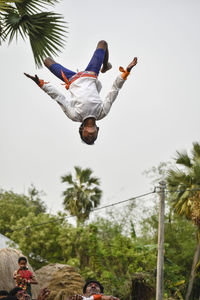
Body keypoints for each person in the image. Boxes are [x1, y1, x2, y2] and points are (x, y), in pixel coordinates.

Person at [24, 40, 137, 145]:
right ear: (97, 130)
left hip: (70, 78)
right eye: (93, 138)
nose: (90, 136)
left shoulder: (75, 116)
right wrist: (126, 72)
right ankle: (105, 66)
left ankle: (39, 41)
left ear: (82, 130)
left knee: (46, 61)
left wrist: (41, 84)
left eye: (87, 137)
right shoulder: (101, 113)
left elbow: (58, 97)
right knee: (102, 43)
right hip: (91, 74)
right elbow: (114, 90)